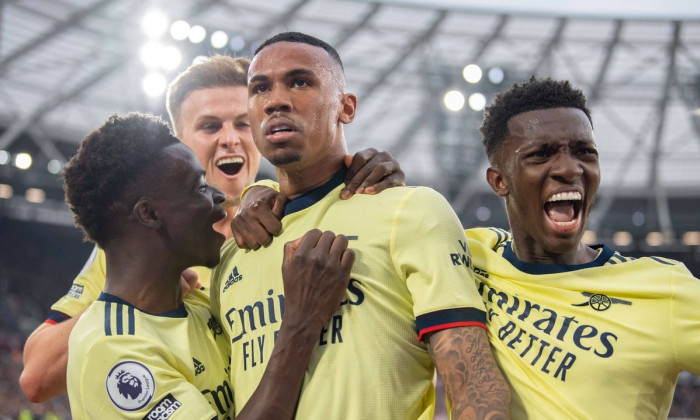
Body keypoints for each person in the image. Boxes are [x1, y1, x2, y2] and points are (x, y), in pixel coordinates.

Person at [19, 55, 405, 403]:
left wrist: (366, 178)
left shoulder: (292, 211)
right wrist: (143, 299)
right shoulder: (133, 246)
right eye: (209, 126)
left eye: (242, 122)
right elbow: (37, 378)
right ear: (179, 144)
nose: (230, 138)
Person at [209, 32, 510, 420]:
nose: (276, 100)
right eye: (260, 88)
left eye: (300, 82)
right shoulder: (236, 248)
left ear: (346, 107)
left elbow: (473, 383)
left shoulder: (411, 212)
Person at [63, 112, 355, 419]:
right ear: (149, 214)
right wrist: (301, 322)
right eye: (199, 187)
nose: (218, 196)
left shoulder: (201, 306)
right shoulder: (113, 348)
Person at [465, 77, 700, 419]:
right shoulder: (465, 256)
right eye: (540, 154)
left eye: (584, 152)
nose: (569, 168)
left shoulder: (664, 290)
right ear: (499, 181)